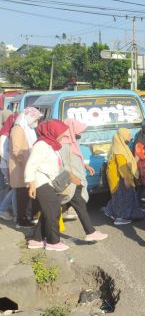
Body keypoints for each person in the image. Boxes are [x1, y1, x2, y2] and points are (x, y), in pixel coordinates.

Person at [56, 119, 108, 242]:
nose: (80, 133)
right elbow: (64, 164)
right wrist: (73, 178)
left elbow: (75, 157)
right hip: (72, 180)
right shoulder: (64, 143)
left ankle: (38, 236)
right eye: (78, 130)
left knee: (61, 206)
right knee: (78, 204)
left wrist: (85, 165)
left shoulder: (72, 141)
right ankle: (90, 232)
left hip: (75, 178)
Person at [25, 120, 71, 251]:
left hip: (48, 181)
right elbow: (31, 165)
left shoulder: (51, 144)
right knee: (53, 210)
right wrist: (31, 184)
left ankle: (36, 240)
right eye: (61, 133)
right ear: (53, 131)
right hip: (40, 182)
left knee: (48, 211)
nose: (63, 136)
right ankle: (53, 242)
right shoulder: (41, 145)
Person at [10, 107, 42, 228]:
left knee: (29, 194)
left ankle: (30, 216)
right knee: (22, 196)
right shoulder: (18, 129)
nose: (36, 122)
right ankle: (21, 220)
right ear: (27, 117)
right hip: (20, 168)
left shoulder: (28, 129)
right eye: (35, 119)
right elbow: (17, 150)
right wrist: (28, 165)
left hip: (27, 167)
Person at [104, 128, 144, 225]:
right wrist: (126, 179)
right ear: (122, 136)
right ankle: (120, 218)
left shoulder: (120, 146)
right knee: (123, 198)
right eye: (128, 135)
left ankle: (110, 212)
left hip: (119, 177)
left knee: (119, 197)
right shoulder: (119, 150)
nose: (130, 137)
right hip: (120, 178)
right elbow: (123, 167)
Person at [0, 113, 17, 221]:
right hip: (7, 165)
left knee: (14, 188)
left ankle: (4, 209)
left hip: (10, 164)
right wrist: (12, 161)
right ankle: (4, 210)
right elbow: (2, 151)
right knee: (14, 188)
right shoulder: (5, 134)